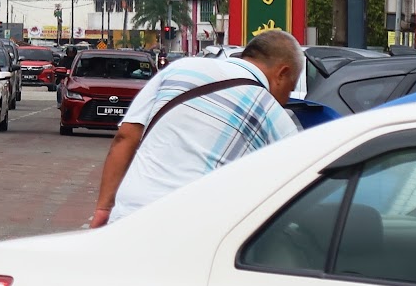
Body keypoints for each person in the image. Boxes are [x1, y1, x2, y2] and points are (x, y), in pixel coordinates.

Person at [87, 28, 304, 227]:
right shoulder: (275, 117)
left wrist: (103, 209)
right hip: (192, 232)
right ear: (282, 73)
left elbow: (126, 137)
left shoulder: (180, 68)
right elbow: (292, 188)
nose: (286, 98)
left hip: (129, 217)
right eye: (290, 88)